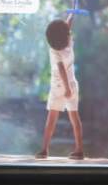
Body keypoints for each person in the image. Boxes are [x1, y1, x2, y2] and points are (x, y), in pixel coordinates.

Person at [36, 15, 84, 160]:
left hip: (59, 86)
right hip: (72, 83)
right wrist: (71, 15)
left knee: (51, 119)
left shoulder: (54, 50)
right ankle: (79, 150)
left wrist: (66, 89)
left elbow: (61, 68)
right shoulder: (69, 43)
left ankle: (44, 149)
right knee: (75, 118)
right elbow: (67, 29)